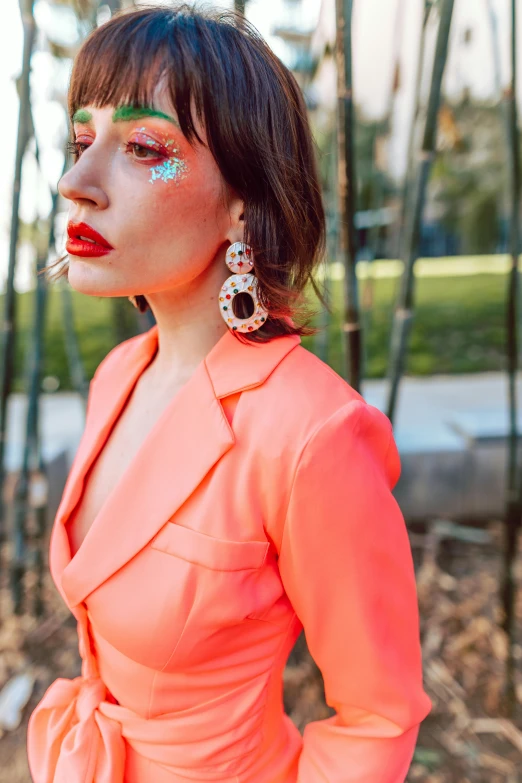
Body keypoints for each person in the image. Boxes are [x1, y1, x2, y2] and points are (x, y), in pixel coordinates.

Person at [26, 4, 432, 782]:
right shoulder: (119, 377)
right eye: (83, 142)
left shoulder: (311, 430)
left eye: (144, 147)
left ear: (242, 201)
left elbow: (378, 716)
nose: (75, 182)